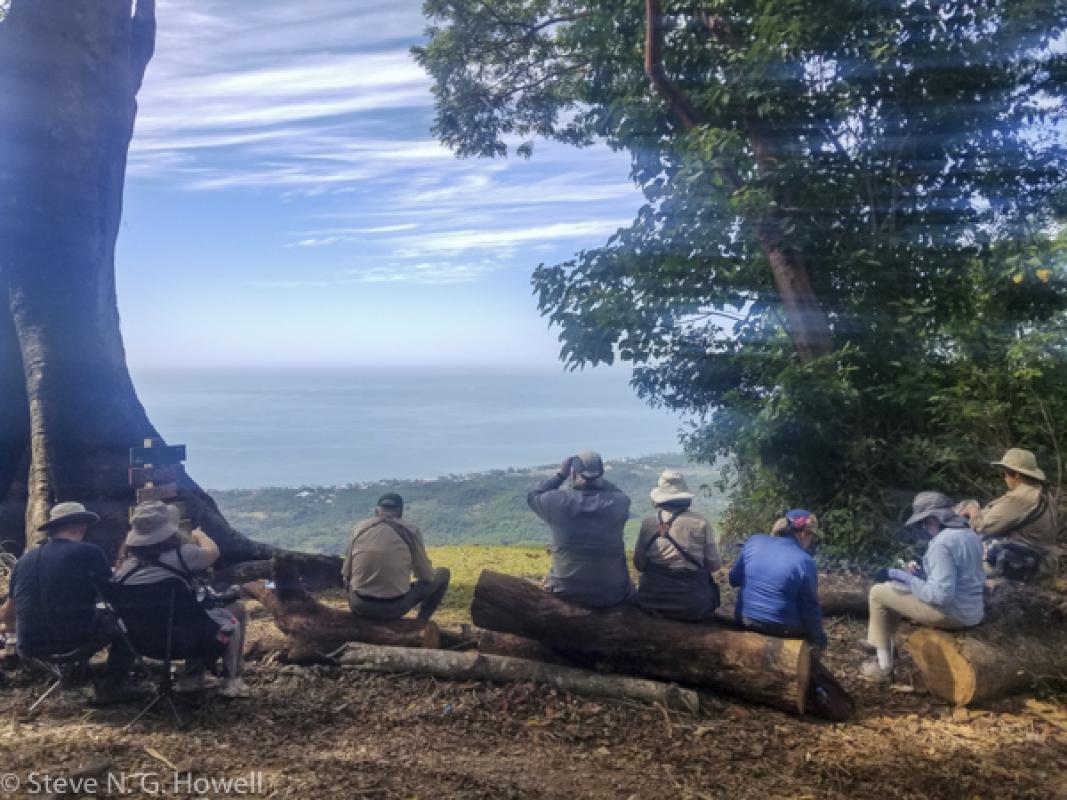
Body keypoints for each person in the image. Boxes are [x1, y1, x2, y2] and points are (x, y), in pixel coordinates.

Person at [113, 502, 250, 699]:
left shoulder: (124, 569)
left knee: (191, 617)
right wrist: (200, 535)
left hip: (141, 643)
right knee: (235, 611)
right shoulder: (183, 555)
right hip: (190, 641)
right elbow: (213, 553)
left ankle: (193, 677)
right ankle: (232, 680)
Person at [9, 502, 142, 704]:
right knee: (128, 621)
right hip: (72, 640)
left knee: (76, 617)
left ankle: (77, 673)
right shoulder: (88, 552)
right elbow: (114, 597)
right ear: (81, 526)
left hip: (29, 646)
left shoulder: (24, 561)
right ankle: (112, 685)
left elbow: (8, 613)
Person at [862, 491, 985, 682]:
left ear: (934, 519)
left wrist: (901, 576)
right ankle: (886, 646)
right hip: (973, 611)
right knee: (891, 591)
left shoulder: (941, 544)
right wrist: (920, 577)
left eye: (925, 522)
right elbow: (959, 577)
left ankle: (883, 666)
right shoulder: (970, 535)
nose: (924, 527)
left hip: (951, 613)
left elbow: (940, 596)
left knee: (878, 592)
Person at [527, 450, 633, 608]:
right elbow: (620, 493)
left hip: (565, 590)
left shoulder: (556, 502)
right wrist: (597, 479)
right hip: (611, 593)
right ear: (601, 475)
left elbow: (534, 495)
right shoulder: (619, 504)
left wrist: (561, 475)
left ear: (574, 473)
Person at [343, 493, 450, 623]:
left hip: (360, 605)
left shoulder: (359, 528)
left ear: (377, 510)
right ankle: (421, 622)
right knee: (443, 573)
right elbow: (426, 575)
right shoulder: (410, 531)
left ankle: (359, 620)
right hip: (395, 607)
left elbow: (346, 573)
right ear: (400, 511)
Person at [729, 510, 826, 650]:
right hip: (782, 629)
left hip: (745, 619)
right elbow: (810, 607)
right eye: (812, 536)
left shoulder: (754, 541)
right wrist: (819, 639)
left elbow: (733, 579)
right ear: (805, 533)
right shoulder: (805, 561)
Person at [633, 470, 721, 621]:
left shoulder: (648, 523)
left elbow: (639, 565)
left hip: (650, 599)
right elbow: (714, 565)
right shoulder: (700, 523)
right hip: (692, 604)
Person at [970, 449, 1059, 581]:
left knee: (964, 567)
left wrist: (973, 511)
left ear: (1017, 475)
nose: (1004, 477)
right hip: (1043, 559)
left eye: (1005, 473)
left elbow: (984, 527)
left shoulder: (1020, 498)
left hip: (1022, 561)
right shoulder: (1042, 493)